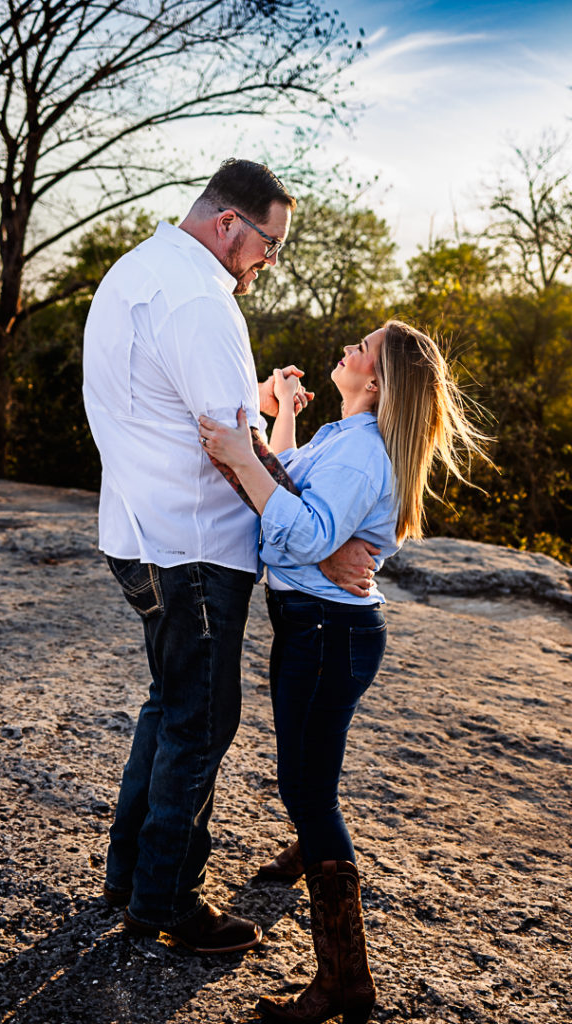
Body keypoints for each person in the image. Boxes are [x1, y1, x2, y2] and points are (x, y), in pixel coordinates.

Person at [82, 158, 370, 955]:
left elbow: (190, 410)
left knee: (169, 705)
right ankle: (167, 898)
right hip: (195, 544)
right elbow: (231, 449)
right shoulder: (200, 301)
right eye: (267, 245)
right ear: (226, 225)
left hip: (138, 531)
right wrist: (331, 539)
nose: (268, 262)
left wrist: (264, 401)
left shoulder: (139, 270)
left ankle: (130, 873)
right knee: (202, 718)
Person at [198, 319, 488, 1021]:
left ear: (378, 381)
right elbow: (295, 500)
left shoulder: (361, 455)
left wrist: (243, 457)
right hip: (322, 627)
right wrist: (279, 429)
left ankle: (344, 981)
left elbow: (297, 529)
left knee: (305, 786)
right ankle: (310, 846)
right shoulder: (341, 437)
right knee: (310, 768)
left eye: (361, 349)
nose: (347, 350)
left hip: (327, 632)